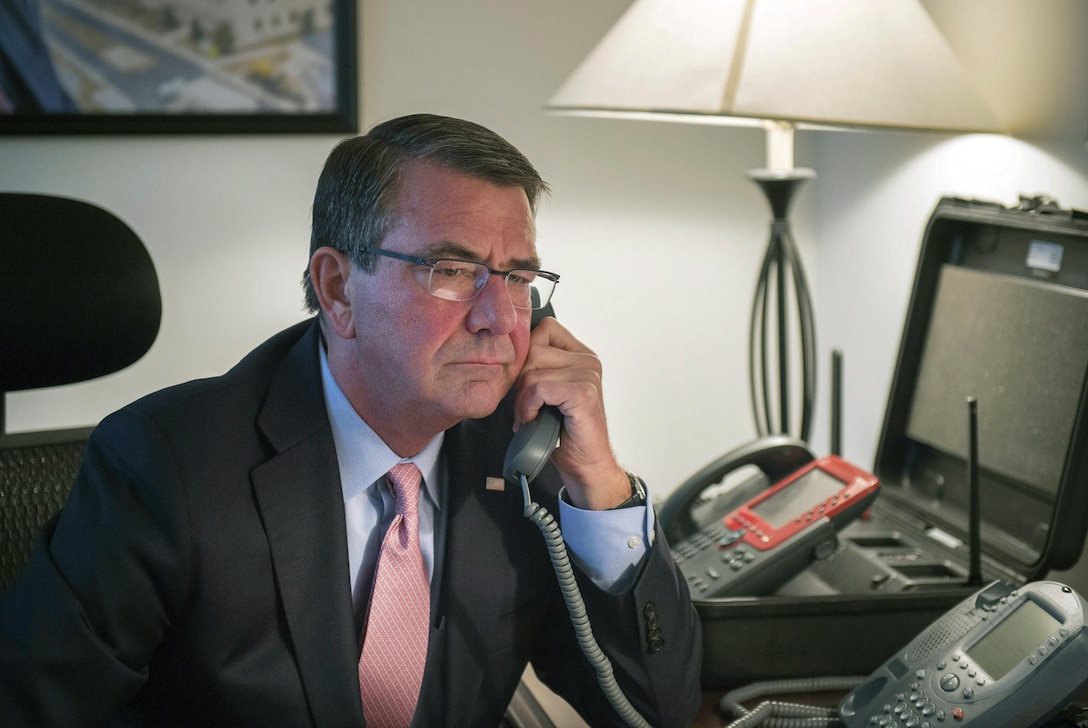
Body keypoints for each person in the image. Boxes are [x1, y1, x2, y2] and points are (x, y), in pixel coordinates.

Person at [0, 113, 702, 726]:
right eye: (453, 269)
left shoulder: (526, 459)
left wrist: (600, 485)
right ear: (337, 288)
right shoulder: (167, 466)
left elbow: (653, 710)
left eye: (518, 278)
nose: (499, 320)